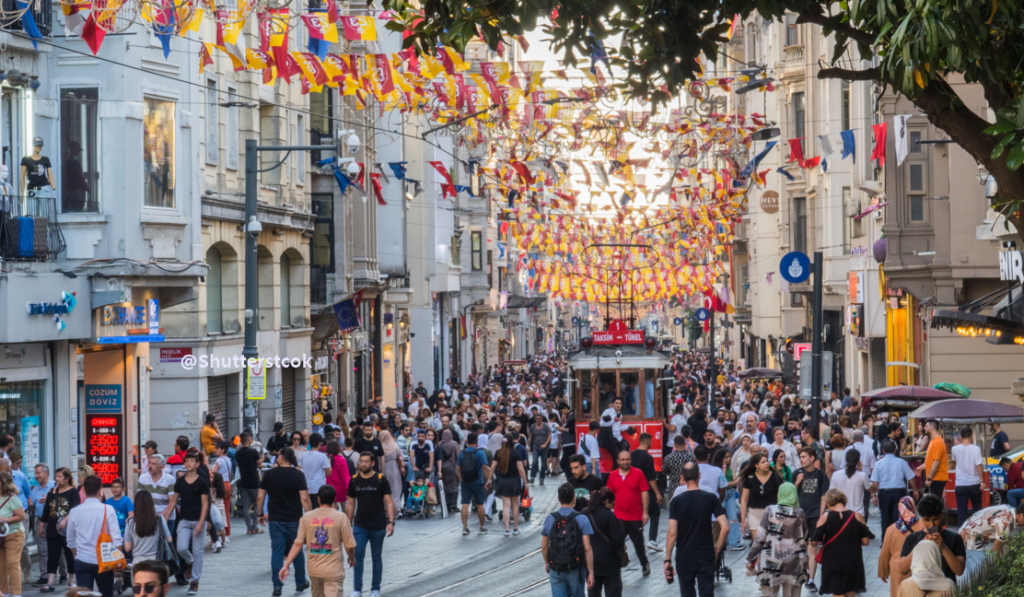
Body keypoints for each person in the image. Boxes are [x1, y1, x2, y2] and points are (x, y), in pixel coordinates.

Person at [664, 463, 729, 597]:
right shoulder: (711, 497)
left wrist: (667, 559)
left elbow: (672, 533)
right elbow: (725, 527)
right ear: (699, 475)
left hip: (684, 555)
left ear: (682, 478)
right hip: (705, 554)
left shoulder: (676, 501)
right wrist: (716, 550)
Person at [279, 485, 356, 597]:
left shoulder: (306, 517)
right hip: (333, 570)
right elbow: (349, 546)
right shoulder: (341, 517)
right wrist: (351, 558)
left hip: (314, 570)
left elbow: (297, 544)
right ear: (335, 499)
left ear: (318, 499)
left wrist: (286, 565)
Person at [257, 447, 311, 597]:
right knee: (297, 549)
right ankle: (300, 582)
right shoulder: (298, 475)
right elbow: (305, 498)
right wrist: (310, 515)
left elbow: (260, 496)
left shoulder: (269, 474)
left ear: (281, 458)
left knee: (277, 551)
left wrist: (260, 514)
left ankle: (277, 586)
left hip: (275, 519)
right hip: (294, 518)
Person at [346, 453, 396, 597]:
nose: (363, 464)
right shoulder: (354, 480)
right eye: (362, 461)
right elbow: (350, 504)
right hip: (360, 525)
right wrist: (347, 524)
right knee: (358, 556)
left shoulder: (380, 480)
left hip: (378, 525)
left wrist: (391, 522)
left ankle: (375, 589)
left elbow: (390, 501)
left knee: (376, 558)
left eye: (367, 462)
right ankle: (357, 589)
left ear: (372, 463)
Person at [747, 482, 808, 597]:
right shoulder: (800, 513)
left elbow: (760, 538)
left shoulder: (770, 510)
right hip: (793, 564)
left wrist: (750, 559)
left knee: (768, 595)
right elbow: (804, 536)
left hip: (770, 563)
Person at [65, 475, 122, 597]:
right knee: (107, 594)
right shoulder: (108, 509)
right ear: (100, 489)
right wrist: (118, 558)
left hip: (82, 560)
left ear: (84, 490)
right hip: (104, 561)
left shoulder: (74, 511)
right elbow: (116, 537)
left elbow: (70, 539)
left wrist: (75, 554)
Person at [160, 452, 208, 595]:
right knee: (181, 548)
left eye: (192, 461)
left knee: (198, 551)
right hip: (184, 520)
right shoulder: (180, 482)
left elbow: (205, 504)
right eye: (186, 461)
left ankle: (194, 583)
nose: (188, 464)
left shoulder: (202, 482)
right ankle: (190, 562)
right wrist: (166, 517)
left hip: (198, 519)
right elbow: (173, 501)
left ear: (197, 464)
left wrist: (202, 522)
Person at [810, 489, 873, 597]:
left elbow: (814, 542)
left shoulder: (825, 517)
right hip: (853, 560)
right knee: (851, 592)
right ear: (844, 501)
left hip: (832, 561)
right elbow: (865, 541)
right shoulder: (857, 516)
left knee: (837, 593)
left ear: (829, 502)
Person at [897, 494, 966, 584]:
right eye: (927, 520)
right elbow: (902, 569)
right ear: (921, 518)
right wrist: (919, 547)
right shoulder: (912, 538)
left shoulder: (955, 538)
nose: (932, 525)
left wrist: (943, 547)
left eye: (935, 519)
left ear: (942, 515)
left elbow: (959, 570)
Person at [541, 483, 595, 597]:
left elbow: (544, 546)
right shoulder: (582, 519)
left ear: (558, 499)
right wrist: (591, 572)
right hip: (576, 568)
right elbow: (587, 547)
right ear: (574, 498)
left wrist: (547, 562)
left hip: (556, 569)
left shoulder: (550, 519)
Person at [605, 451, 650, 576]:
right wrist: (608, 513)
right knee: (617, 541)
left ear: (631, 460)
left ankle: (644, 563)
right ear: (618, 461)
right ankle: (616, 566)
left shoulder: (638, 473)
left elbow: (644, 492)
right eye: (623, 460)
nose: (625, 462)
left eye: (627, 459)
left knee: (638, 543)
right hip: (619, 515)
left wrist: (645, 512)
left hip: (635, 516)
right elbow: (609, 494)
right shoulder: (613, 475)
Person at [40, 466, 79, 593]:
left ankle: (71, 580)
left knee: (69, 554)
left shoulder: (73, 492)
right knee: (52, 554)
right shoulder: (52, 491)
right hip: (52, 528)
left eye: (60, 477)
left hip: (68, 530)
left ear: (67, 478)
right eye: (56, 476)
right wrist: (42, 525)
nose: (57, 479)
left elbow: (75, 509)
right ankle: (50, 582)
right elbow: (46, 509)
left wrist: (65, 520)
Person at [878, 497, 925, 597]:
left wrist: (883, 571)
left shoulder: (891, 529)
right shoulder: (923, 525)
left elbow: (885, 552)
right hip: (918, 567)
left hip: (898, 568)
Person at [872, 439, 919, 535]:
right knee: (898, 518)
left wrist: (874, 495)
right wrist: (915, 490)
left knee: (885, 518)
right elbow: (911, 478)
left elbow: (875, 482)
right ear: (895, 450)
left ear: (883, 451)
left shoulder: (878, 464)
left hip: (884, 493)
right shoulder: (901, 462)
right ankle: (898, 540)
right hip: (899, 493)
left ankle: (885, 541)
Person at [585, 488, 624, 597]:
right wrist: (622, 548)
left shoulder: (585, 513)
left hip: (591, 562)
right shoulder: (609, 516)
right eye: (613, 504)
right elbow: (618, 539)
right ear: (607, 501)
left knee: (593, 593)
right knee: (613, 592)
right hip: (609, 562)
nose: (613, 507)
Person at [31, 463, 64, 587]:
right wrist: (30, 505)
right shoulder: (35, 490)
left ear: (46, 473)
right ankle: (44, 576)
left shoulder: (55, 486)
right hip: (40, 521)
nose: (36, 476)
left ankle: (63, 573)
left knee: (58, 550)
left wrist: (50, 499)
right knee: (42, 550)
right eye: (35, 473)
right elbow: (32, 507)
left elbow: (63, 503)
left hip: (55, 521)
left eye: (39, 473)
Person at [630, 433, 662, 551]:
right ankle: (652, 540)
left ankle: (635, 539)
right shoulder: (648, 458)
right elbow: (651, 478)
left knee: (636, 516)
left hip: (633, 490)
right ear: (648, 441)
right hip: (646, 491)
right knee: (655, 513)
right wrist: (657, 493)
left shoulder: (631, 455)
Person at [491, 437, 528, 536]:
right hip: (514, 481)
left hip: (502, 481)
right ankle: (515, 529)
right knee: (515, 505)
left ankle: (506, 530)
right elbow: (520, 469)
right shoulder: (516, 453)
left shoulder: (498, 452)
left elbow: (493, 467)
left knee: (505, 506)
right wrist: (525, 482)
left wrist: (489, 479)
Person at [123, 490, 172, 563]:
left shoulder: (130, 522)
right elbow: (169, 540)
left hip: (138, 562)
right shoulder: (160, 519)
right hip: (156, 561)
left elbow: (127, 548)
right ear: (151, 503)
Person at [740, 454, 783, 537]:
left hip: (772, 513)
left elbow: (781, 497)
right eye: (763, 462)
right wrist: (743, 520)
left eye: (767, 461)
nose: (766, 463)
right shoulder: (750, 478)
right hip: (754, 513)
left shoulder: (775, 477)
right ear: (756, 465)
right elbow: (744, 499)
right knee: (757, 543)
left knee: (771, 543)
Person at [951, 426, 986, 526]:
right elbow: (979, 466)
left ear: (960, 436)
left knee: (962, 511)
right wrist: (982, 481)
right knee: (977, 510)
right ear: (971, 436)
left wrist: (957, 443)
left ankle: (962, 535)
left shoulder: (954, 449)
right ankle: (978, 530)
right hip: (974, 483)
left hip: (960, 484)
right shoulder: (976, 449)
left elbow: (954, 460)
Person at [457, 432, 490, 535]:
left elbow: (458, 468)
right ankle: (482, 527)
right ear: (477, 442)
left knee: (465, 504)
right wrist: (488, 480)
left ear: (467, 442)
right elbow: (485, 467)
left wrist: (460, 479)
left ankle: (465, 527)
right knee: (480, 504)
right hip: (478, 482)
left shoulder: (462, 453)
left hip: (465, 482)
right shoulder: (480, 453)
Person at [830, 450, 875, 521]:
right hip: (858, 515)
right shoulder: (862, 475)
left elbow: (831, 495)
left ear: (845, 459)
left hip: (840, 514)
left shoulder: (835, 475)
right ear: (858, 461)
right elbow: (872, 489)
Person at [0, 471, 25, 597]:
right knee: (1, 565)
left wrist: (4, 519)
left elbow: (22, 516)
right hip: (1, 535)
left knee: (12, 564)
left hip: (14, 534)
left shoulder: (12, 498)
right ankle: (3, 592)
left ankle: (16, 594)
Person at [233, 433, 263, 534]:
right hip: (254, 481)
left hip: (243, 481)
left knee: (246, 505)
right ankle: (255, 527)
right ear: (249, 439)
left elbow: (238, 464)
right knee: (256, 504)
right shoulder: (253, 452)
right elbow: (259, 465)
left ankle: (249, 528)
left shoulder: (238, 453)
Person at [917, 420, 949, 498]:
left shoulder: (937, 442)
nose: (924, 428)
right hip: (935, 478)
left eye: (926, 426)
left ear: (932, 428)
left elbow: (936, 462)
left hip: (938, 478)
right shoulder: (933, 441)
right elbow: (931, 461)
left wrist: (929, 478)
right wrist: (921, 467)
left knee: (935, 503)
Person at [300, 434, 332, 509]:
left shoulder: (304, 455)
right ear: (319, 443)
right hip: (319, 488)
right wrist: (329, 462)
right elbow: (329, 472)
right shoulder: (322, 456)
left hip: (307, 487)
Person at [378, 431, 405, 512]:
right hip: (394, 469)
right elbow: (401, 457)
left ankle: (387, 508)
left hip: (384, 468)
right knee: (396, 488)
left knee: (386, 489)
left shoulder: (380, 447)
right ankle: (397, 508)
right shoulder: (395, 446)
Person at [324, 440, 352, 512]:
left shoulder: (326, 459)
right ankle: (346, 522)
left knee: (332, 511)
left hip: (329, 488)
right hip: (341, 489)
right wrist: (348, 489)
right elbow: (345, 477)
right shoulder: (341, 459)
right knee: (345, 510)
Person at [439, 429, 462, 512]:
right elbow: (459, 455)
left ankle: (447, 503)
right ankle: (453, 504)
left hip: (442, 468)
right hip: (452, 467)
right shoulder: (454, 443)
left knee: (446, 486)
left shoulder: (440, 443)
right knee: (454, 485)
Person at [529, 413, 553, 486]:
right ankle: (532, 477)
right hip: (535, 446)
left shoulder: (545, 426)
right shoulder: (533, 426)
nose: (538, 420)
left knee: (543, 464)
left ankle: (541, 478)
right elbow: (530, 436)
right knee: (534, 462)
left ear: (542, 419)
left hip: (544, 448)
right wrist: (528, 444)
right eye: (536, 419)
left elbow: (549, 436)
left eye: (539, 419)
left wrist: (545, 444)